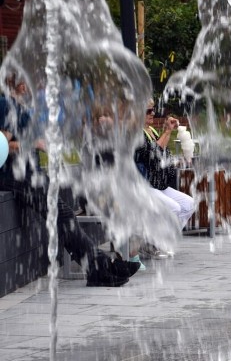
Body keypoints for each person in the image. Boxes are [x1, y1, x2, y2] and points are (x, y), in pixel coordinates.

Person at [0, 81, 139, 287]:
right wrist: (33, 143)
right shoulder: (6, 105)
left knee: (63, 218)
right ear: (20, 83)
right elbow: (3, 144)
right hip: (16, 177)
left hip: (30, 174)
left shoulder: (22, 108)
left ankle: (100, 266)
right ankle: (100, 267)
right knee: (63, 217)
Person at [132, 101, 195, 266]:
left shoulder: (151, 130)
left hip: (156, 184)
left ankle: (160, 241)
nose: (153, 113)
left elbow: (162, 156)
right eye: (149, 111)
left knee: (188, 204)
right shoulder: (134, 133)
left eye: (154, 110)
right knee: (173, 208)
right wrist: (167, 131)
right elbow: (152, 156)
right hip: (141, 186)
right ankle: (149, 243)